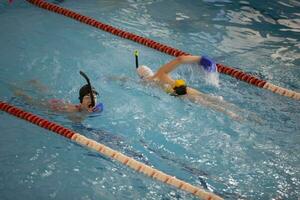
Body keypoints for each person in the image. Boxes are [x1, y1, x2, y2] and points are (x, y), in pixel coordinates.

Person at [135, 53, 241, 120]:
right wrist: (200, 59)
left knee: (212, 106)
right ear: (150, 70)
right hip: (187, 91)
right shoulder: (160, 73)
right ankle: (250, 118)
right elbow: (180, 59)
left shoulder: (147, 84)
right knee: (219, 102)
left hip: (181, 96)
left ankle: (232, 115)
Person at [13, 71, 103, 118]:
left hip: (61, 102)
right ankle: (18, 92)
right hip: (54, 107)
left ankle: (37, 84)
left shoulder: (95, 108)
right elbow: (76, 122)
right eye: (88, 97)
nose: (92, 100)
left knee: (48, 93)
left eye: (94, 97)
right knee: (33, 102)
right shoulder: (74, 111)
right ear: (81, 101)